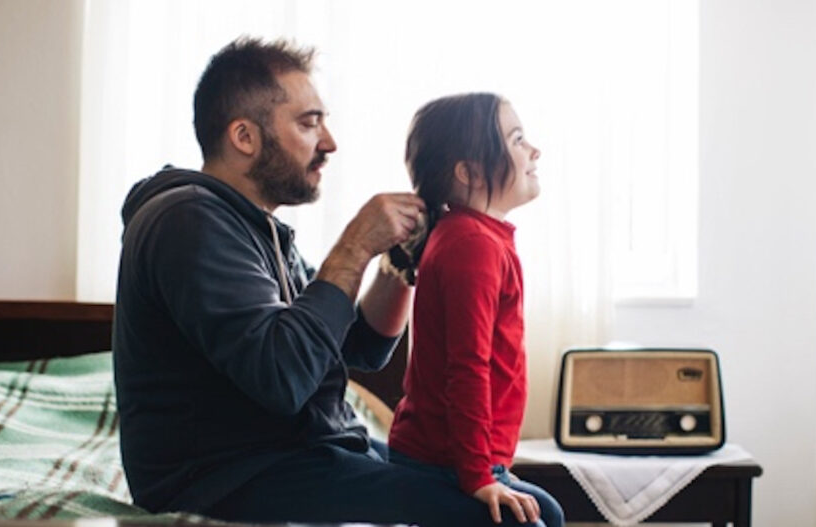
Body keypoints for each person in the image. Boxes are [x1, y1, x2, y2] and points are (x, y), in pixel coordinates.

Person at [113, 37, 540, 526]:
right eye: (308, 122)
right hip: (230, 479)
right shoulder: (188, 221)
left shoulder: (257, 226)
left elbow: (356, 347)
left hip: (305, 454)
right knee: (513, 516)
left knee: (527, 501)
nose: (329, 142)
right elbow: (283, 376)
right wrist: (354, 246)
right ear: (245, 137)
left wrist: (397, 266)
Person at [386, 93, 564, 527]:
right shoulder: (472, 246)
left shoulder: (477, 237)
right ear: (468, 172)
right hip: (441, 463)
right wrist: (478, 477)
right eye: (517, 139)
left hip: (456, 458)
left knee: (552, 512)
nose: (533, 150)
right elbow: (467, 368)